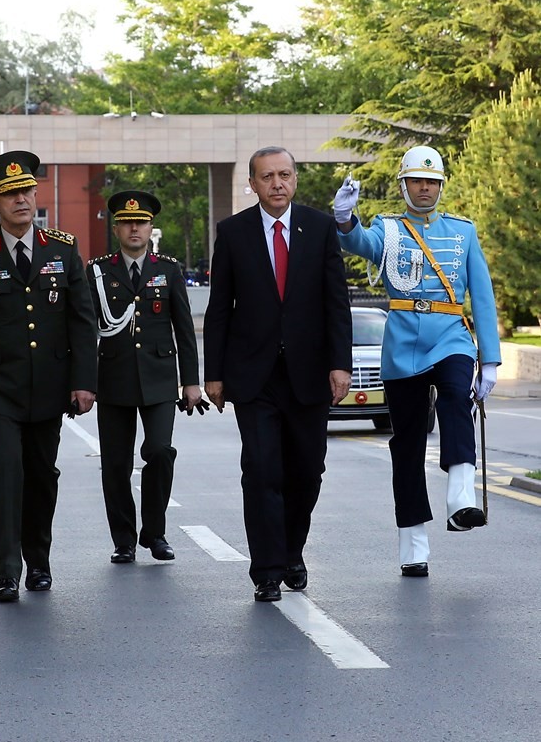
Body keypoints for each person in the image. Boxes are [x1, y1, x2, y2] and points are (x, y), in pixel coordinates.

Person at [333, 145, 501, 577]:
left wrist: (492, 360)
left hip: (451, 337)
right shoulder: (388, 228)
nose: (424, 188)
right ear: (403, 185)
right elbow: (360, 244)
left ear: (440, 186)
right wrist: (345, 219)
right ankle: (413, 545)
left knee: (455, 402)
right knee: (405, 445)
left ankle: (461, 499)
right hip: (404, 342)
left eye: (432, 182)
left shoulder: (463, 232)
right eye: (416, 181)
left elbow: (482, 297)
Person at [0, 150, 98, 603]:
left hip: (50, 387)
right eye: (10, 194)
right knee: (6, 470)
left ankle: (40, 562)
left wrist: (84, 381)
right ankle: (7, 571)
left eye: (27, 191)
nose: (22, 200)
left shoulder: (63, 248)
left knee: (42, 474)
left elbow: (82, 321)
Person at [203, 147, 353, 602]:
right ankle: (267, 570)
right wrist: (214, 373)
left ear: (296, 179)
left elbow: (335, 303)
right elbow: (219, 310)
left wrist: (340, 364)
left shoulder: (321, 228)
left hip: (309, 374)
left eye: (284, 175)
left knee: (307, 471)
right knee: (262, 470)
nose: (277, 184)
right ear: (252, 183)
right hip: (254, 376)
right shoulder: (232, 233)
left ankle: (292, 551)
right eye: (267, 177)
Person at [86, 190, 204, 565]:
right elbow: (86, 331)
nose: (134, 227)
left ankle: (154, 532)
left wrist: (191, 382)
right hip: (114, 379)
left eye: (141, 222)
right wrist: (83, 382)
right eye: (126, 222)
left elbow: (184, 329)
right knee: (116, 464)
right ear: (116, 228)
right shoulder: (98, 272)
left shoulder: (167, 270)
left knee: (159, 452)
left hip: (158, 379)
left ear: (151, 227)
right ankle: (123, 539)